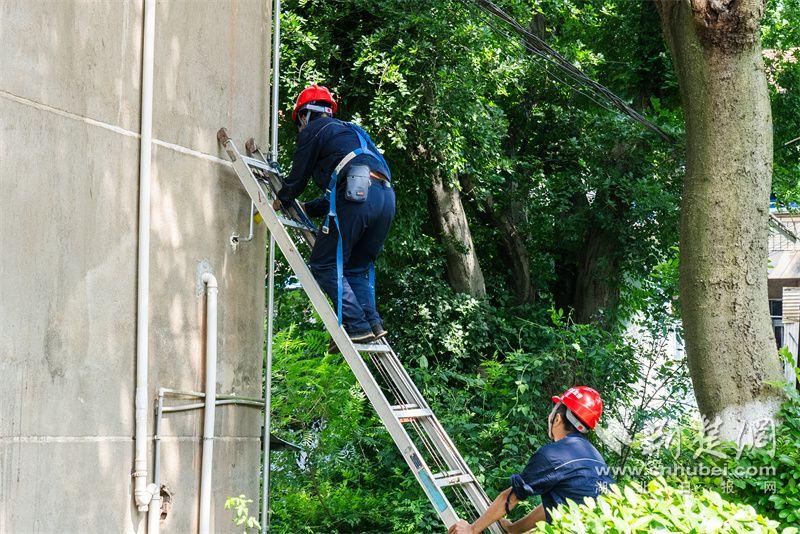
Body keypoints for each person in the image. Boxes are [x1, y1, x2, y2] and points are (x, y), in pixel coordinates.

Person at [273, 84, 395, 352]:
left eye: (298, 123)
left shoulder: (314, 130)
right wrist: (310, 208)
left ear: (304, 115)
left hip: (357, 192)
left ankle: (356, 326)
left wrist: (283, 198)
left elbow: (297, 178)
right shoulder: (351, 131)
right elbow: (340, 192)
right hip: (385, 197)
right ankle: (372, 325)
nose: (300, 129)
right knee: (355, 269)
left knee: (323, 263)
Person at [449, 386, 614, 534]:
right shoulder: (594, 457)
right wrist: (513, 529)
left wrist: (472, 529)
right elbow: (555, 507)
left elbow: (512, 497)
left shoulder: (553, 455)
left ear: (557, 419)